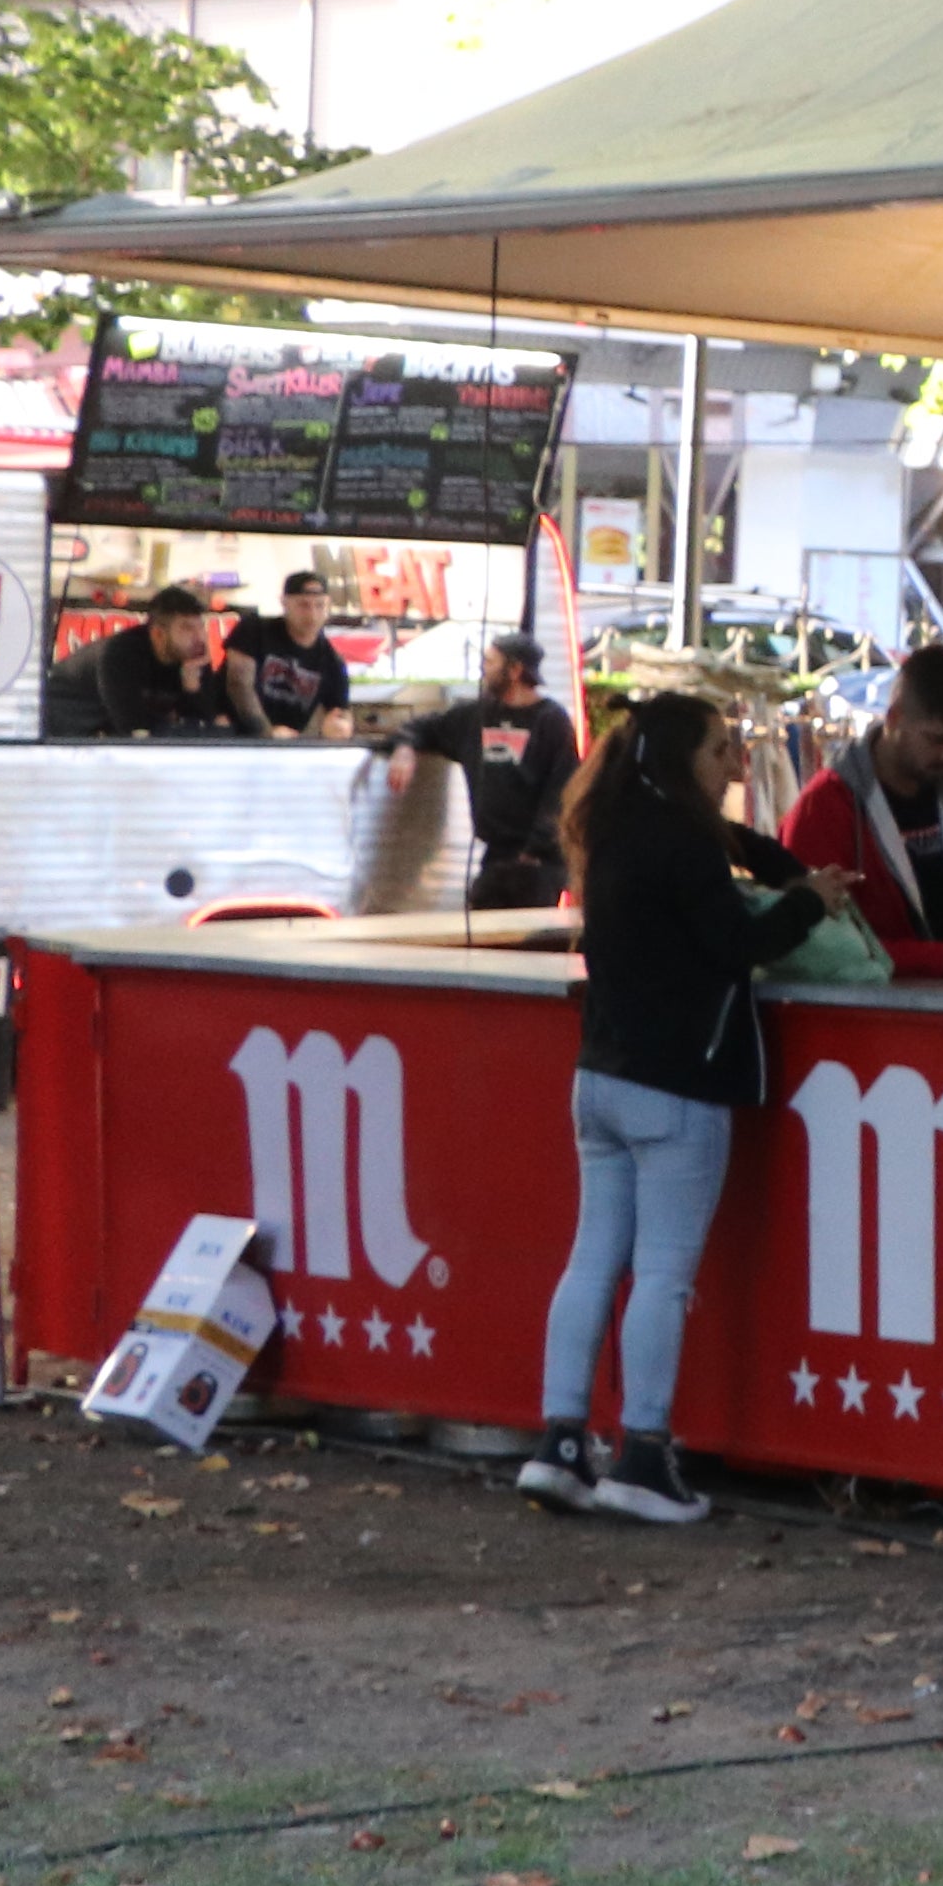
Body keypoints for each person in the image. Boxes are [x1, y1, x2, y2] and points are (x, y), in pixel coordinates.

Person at [531, 689, 842, 1523]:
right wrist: (814, 902)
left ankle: (561, 1444)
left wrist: (791, 871)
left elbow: (745, 845)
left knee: (593, 1260)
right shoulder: (684, 843)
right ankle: (641, 1453)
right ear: (682, 761)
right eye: (720, 751)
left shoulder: (616, 828)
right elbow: (738, 947)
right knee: (664, 1277)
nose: (737, 764)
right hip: (678, 1088)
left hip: (598, 1078)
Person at [782, 644, 943, 981]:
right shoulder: (825, 806)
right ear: (894, 718)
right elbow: (818, 942)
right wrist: (942, 960)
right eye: (937, 740)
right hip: (869, 1017)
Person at [388, 632, 587, 908]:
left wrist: (533, 850)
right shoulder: (476, 714)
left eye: (490, 661)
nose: (484, 667)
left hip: (537, 862)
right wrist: (405, 749)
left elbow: (562, 792)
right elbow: (421, 726)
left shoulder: (551, 721)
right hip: (495, 854)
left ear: (515, 670)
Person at [62, 585, 259, 739]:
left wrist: (192, 689)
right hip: (69, 716)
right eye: (186, 629)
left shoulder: (194, 656)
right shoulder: (121, 655)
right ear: (158, 634)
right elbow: (131, 727)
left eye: (200, 627)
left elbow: (202, 724)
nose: (199, 637)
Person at [222, 569, 354, 732]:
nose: (312, 615)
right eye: (303, 605)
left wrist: (339, 726)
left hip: (288, 745)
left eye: (320, 605)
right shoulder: (254, 630)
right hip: (231, 738)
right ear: (284, 603)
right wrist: (267, 734)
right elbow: (239, 685)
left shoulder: (332, 661)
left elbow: (340, 711)